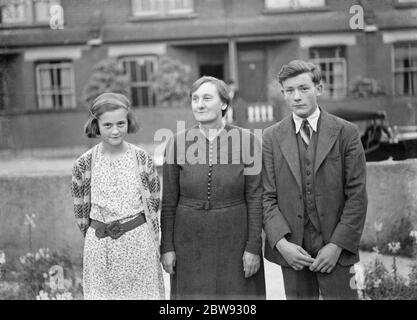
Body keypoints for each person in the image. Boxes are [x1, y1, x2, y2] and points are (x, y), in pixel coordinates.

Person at [262, 60, 367, 300]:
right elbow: (266, 197)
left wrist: (336, 246)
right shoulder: (271, 137)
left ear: (318, 89)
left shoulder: (346, 133)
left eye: (304, 88)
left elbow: (357, 196)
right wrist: (281, 244)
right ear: (283, 94)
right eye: (289, 91)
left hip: (338, 252)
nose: (296, 97)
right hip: (294, 253)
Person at [160, 76, 266, 299]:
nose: (199, 104)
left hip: (235, 239)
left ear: (224, 103)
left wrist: (254, 247)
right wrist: (167, 247)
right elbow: (169, 202)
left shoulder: (247, 141)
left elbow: (256, 198)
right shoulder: (176, 143)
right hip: (189, 241)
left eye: (207, 98)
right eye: (195, 98)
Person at [71, 92, 165, 300]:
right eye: (108, 125)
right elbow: (80, 213)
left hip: (139, 246)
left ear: (128, 121)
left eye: (121, 124)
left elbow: (154, 202)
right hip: (100, 248)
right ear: (96, 125)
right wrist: (98, 235)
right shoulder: (83, 164)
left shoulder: (142, 159)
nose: (115, 131)